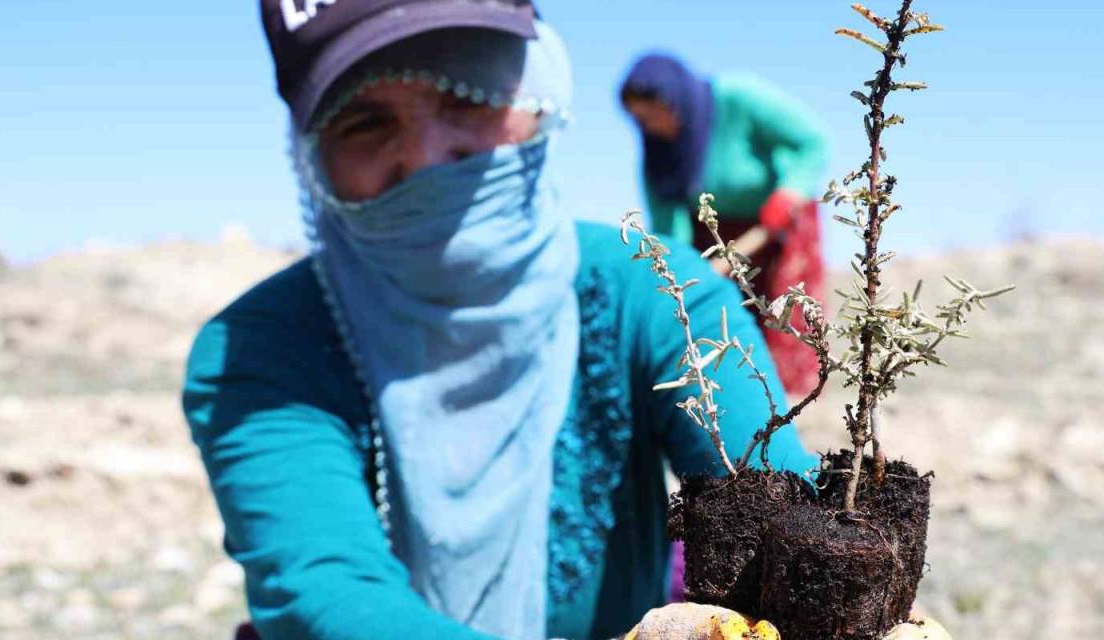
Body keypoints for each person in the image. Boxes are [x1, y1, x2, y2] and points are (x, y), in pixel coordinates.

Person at [182, 2, 815, 639]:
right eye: (365, 122)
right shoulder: (257, 351)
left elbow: (778, 513)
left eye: (469, 92)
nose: (430, 157)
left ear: (539, 93)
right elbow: (328, 597)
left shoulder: (658, 294)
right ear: (313, 155)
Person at [619, 54, 830, 395]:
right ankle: (735, 399)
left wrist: (790, 192)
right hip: (714, 237)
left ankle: (793, 406)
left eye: (654, 110)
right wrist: (683, 271)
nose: (651, 124)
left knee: (784, 318)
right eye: (639, 119)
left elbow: (811, 141)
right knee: (719, 325)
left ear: (675, 98)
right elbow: (670, 227)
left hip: (776, 223)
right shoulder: (659, 156)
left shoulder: (737, 97)